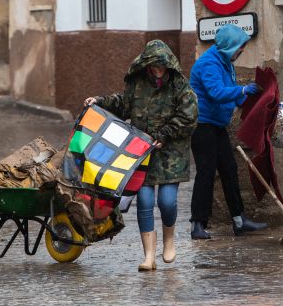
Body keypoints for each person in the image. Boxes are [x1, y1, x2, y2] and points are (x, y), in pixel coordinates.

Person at [84, 40, 198, 271]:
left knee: (167, 201)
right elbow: (124, 105)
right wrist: (100, 102)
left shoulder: (179, 85)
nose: (157, 70)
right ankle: (148, 256)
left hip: (170, 155)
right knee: (144, 202)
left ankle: (169, 240)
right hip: (141, 154)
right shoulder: (136, 82)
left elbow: (189, 116)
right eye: (153, 66)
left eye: (161, 66)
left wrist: (165, 134)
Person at [189, 24, 268, 240]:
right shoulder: (209, 64)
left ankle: (239, 221)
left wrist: (251, 99)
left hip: (217, 124)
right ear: (230, 47)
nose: (241, 51)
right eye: (240, 47)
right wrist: (242, 89)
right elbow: (216, 92)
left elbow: (232, 92)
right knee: (206, 173)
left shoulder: (225, 62)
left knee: (230, 170)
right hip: (203, 125)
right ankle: (198, 224)